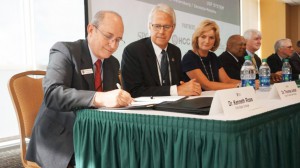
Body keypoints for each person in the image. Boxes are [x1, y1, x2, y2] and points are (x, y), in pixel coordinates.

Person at [26, 11, 133, 168]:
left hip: (95, 137)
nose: (113, 45)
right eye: (108, 37)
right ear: (91, 30)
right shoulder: (65, 51)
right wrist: (99, 98)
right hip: (61, 140)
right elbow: (52, 94)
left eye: (118, 40)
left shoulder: (112, 63)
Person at [121, 3, 201, 98]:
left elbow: (179, 83)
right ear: (150, 26)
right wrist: (176, 90)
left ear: (173, 28)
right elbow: (133, 91)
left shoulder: (175, 51)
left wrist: (188, 87)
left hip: (174, 107)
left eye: (166, 27)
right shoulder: (133, 51)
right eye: (157, 26)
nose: (161, 32)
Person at [181, 19, 240, 91]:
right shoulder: (189, 58)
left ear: (215, 41)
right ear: (197, 38)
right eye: (203, 37)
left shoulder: (213, 56)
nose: (207, 41)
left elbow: (227, 81)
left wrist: (248, 83)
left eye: (211, 38)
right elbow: (207, 85)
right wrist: (238, 86)